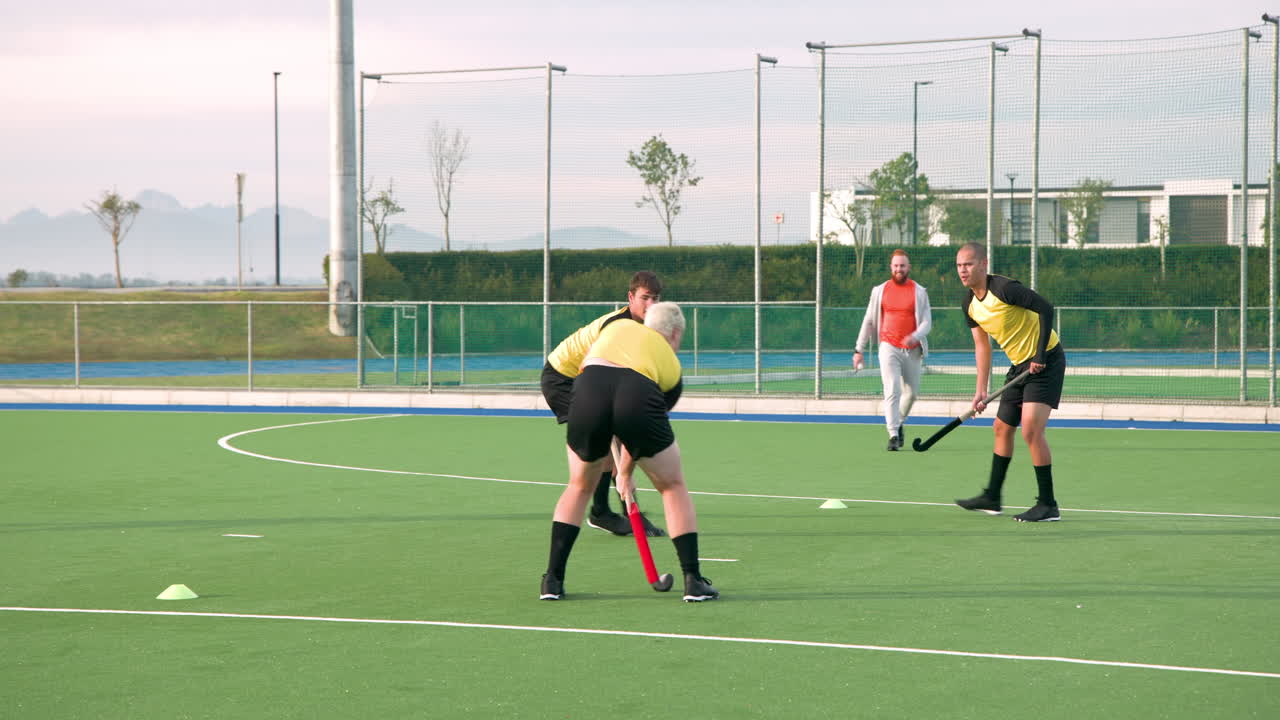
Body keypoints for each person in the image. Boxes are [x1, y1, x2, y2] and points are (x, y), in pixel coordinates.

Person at [540, 302, 719, 602]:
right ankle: (694, 581)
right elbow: (640, 431)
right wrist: (625, 472)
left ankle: (552, 581)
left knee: (578, 486)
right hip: (637, 393)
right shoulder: (671, 366)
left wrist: (622, 473)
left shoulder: (617, 326)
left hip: (586, 390)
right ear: (675, 333)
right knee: (672, 485)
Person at [540, 271, 666, 538]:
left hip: (588, 377)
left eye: (656, 298)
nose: (651, 305)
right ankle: (607, 512)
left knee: (613, 440)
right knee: (601, 443)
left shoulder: (646, 327)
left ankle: (607, 511)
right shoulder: (618, 328)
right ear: (631, 297)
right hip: (563, 377)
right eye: (645, 298)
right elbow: (596, 372)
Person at [952, 242, 1066, 522]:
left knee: (1030, 430)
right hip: (1020, 366)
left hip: (1047, 359)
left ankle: (1048, 504)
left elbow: (1045, 309)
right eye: (958, 266)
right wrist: (981, 390)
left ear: (983, 264)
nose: (962, 271)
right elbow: (982, 346)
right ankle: (992, 496)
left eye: (967, 264)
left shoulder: (1005, 289)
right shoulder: (969, 304)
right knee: (1002, 428)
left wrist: (1039, 354)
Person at [852, 249, 933, 451]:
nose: (899, 269)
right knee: (892, 389)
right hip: (888, 347)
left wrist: (914, 336)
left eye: (902, 265)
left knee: (912, 393)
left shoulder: (919, 292)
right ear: (891, 267)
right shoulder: (879, 291)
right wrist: (858, 349)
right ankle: (893, 435)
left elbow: (927, 323)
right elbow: (869, 320)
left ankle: (899, 422)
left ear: (908, 268)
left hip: (913, 350)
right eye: (896, 265)